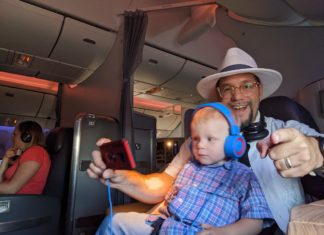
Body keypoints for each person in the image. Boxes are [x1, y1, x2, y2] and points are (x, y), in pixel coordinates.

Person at [87, 47, 324, 234]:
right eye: (228, 88)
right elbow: (165, 183)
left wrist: (317, 151)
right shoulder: (198, 141)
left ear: (260, 90)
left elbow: (315, 148)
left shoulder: (287, 129)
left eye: (247, 86)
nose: (237, 95)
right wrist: (124, 179)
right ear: (220, 95)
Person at [101, 102, 273, 235]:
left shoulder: (246, 177)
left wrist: (225, 232)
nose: (200, 146)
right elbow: (167, 201)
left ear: (233, 144)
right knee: (113, 221)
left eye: (210, 139)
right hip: (164, 227)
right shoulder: (189, 167)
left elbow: (254, 222)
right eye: (196, 138)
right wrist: (150, 216)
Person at [0, 121, 51, 194]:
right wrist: (5, 158)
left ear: (26, 137)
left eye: (15, 134)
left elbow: (11, 189)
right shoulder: (26, 154)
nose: (12, 138)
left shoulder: (35, 152)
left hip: (20, 202)